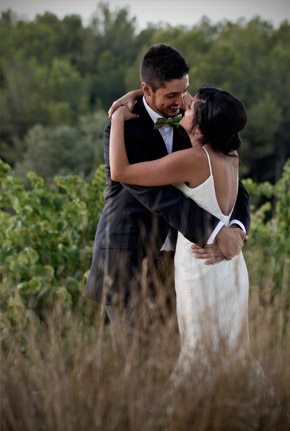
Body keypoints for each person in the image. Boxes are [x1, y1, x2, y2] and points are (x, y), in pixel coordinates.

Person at [83, 44, 249, 346]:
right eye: (171, 95)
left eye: (184, 92)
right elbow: (160, 197)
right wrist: (213, 232)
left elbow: (238, 189)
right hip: (128, 261)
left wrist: (237, 228)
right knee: (137, 362)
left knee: (179, 352)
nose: (180, 101)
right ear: (146, 89)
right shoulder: (122, 131)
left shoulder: (195, 127)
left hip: (179, 264)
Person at [109, 86, 250, 371]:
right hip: (230, 266)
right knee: (231, 353)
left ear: (201, 122)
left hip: (200, 266)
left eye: (192, 104)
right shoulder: (230, 155)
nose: (185, 102)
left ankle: (197, 413)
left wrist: (116, 120)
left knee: (199, 353)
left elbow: (121, 172)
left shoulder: (194, 160)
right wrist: (138, 93)